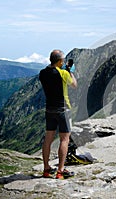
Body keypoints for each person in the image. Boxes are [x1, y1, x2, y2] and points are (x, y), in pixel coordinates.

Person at [39, 49, 77, 179]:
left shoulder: (42, 73)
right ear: (60, 61)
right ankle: (60, 171)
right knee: (64, 139)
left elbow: (50, 74)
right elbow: (74, 85)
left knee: (48, 138)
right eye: (63, 60)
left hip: (49, 109)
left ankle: (46, 169)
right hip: (62, 109)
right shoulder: (63, 74)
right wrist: (70, 72)